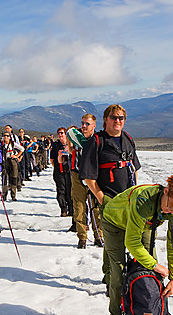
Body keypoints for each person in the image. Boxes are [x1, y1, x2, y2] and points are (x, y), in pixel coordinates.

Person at [100, 176, 173, 315]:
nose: (171, 212)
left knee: (152, 276)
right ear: (166, 191)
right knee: (119, 273)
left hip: (145, 224)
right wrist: (155, 265)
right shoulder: (144, 200)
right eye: (170, 207)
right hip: (114, 222)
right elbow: (132, 242)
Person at [80, 104, 141, 283]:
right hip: (110, 200)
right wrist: (103, 199)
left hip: (129, 200)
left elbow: (133, 167)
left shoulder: (127, 139)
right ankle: (112, 279)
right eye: (114, 117)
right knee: (114, 242)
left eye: (121, 118)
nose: (117, 121)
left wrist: (135, 192)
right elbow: (89, 178)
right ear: (106, 119)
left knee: (118, 241)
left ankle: (110, 275)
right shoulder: (97, 141)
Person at [67, 114, 103, 249]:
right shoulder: (77, 137)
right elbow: (69, 132)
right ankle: (82, 237)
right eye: (82, 123)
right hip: (77, 174)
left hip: (94, 176)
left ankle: (99, 236)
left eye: (87, 124)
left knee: (97, 207)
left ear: (94, 125)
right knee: (79, 206)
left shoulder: (98, 140)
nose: (84, 126)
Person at [50, 127, 73, 218]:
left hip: (69, 171)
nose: (60, 135)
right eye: (59, 133)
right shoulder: (56, 146)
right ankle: (63, 209)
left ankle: (71, 209)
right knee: (61, 191)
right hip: (59, 171)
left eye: (62, 133)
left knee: (70, 190)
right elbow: (52, 159)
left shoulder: (70, 144)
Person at [1, 130, 24, 200]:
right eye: (4, 135)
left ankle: (13, 195)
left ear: (10, 137)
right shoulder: (1, 144)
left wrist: (17, 156)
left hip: (12, 161)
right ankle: (4, 195)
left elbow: (22, 149)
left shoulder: (13, 144)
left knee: (13, 178)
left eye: (7, 136)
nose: (6, 137)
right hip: (5, 162)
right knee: (4, 178)